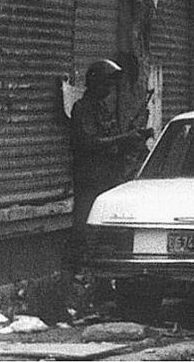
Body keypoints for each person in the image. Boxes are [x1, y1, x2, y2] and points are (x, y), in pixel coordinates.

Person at [69, 59, 152, 265]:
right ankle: (78, 274)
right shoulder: (83, 109)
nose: (108, 89)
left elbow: (112, 137)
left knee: (107, 232)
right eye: (105, 84)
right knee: (85, 229)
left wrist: (135, 137)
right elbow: (89, 142)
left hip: (108, 176)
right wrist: (125, 138)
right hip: (90, 178)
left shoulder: (102, 108)